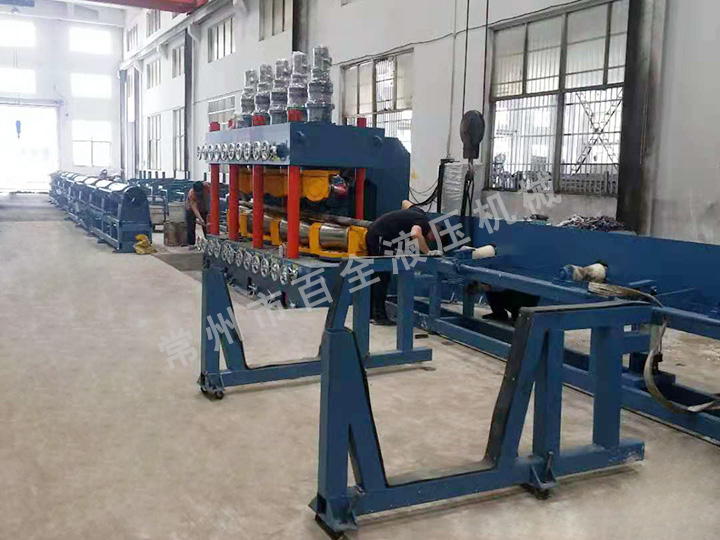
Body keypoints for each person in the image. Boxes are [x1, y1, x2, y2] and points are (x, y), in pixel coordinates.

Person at [365, 205, 439, 326]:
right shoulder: (424, 223)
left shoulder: (419, 213)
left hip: (385, 239)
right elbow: (415, 234)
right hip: (380, 237)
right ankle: (378, 316)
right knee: (381, 276)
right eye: (433, 238)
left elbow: (405, 202)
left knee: (381, 276)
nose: (431, 239)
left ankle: (371, 314)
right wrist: (428, 252)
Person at [185, 181, 208, 246]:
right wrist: (201, 219)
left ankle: (209, 240)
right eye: (197, 193)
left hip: (203, 206)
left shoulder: (206, 186)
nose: (199, 194)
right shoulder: (191, 194)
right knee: (191, 226)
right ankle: (191, 243)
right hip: (190, 209)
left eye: (200, 192)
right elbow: (195, 209)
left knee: (206, 225)